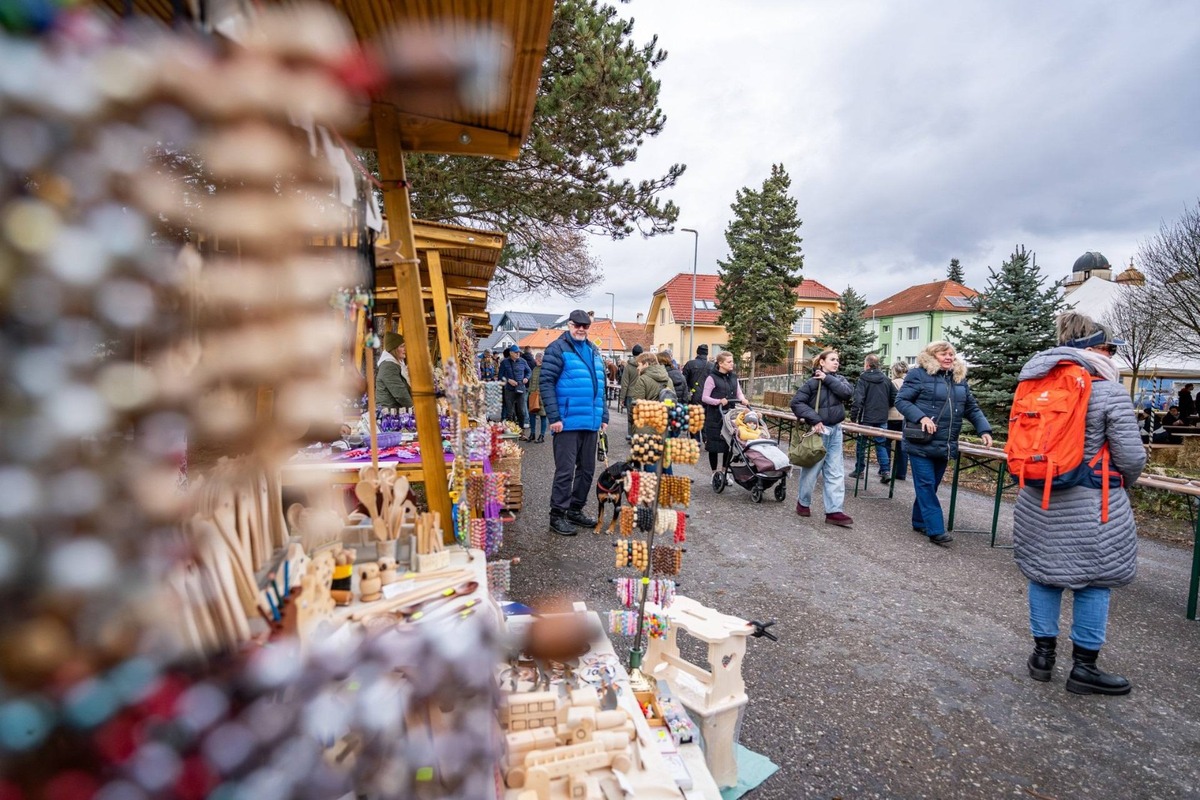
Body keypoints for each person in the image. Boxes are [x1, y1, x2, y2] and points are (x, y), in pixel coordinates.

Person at [1014, 312, 1145, 695]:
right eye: (1110, 348)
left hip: (1038, 495)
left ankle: (1042, 658)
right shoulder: (1107, 390)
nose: (1113, 355)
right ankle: (1084, 669)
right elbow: (1132, 456)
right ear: (1096, 348)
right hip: (1093, 502)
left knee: (1043, 574)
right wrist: (1124, 483)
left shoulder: (1032, 384)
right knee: (1094, 582)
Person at [894, 341, 993, 547]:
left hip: (945, 443)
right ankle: (936, 529)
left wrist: (984, 430)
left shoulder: (958, 379)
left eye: (951, 354)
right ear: (932, 356)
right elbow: (902, 401)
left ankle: (919, 520)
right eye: (943, 354)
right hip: (921, 441)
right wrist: (922, 417)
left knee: (932, 485)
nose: (949, 358)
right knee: (926, 484)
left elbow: (971, 407)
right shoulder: (918, 375)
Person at [539, 309, 609, 536]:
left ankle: (575, 509)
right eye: (576, 325)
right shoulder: (557, 349)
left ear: (589, 327)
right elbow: (546, 383)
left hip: (590, 422)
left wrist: (604, 416)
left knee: (587, 470)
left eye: (585, 326)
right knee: (565, 471)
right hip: (567, 422)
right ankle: (557, 515)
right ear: (569, 325)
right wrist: (554, 417)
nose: (580, 329)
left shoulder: (593, 350)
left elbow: (600, 388)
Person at [790, 350, 855, 527]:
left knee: (835, 471)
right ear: (822, 363)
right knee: (812, 470)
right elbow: (796, 403)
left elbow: (847, 393)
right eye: (832, 360)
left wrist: (827, 379)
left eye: (838, 360)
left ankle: (834, 511)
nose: (836, 363)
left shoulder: (839, 380)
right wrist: (815, 419)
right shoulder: (812, 384)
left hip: (836, 431)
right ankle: (803, 503)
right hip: (818, 432)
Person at [700, 352, 747, 485]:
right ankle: (715, 473)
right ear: (720, 363)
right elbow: (704, 397)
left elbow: (739, 392)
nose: (732, 364)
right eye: (729, 362)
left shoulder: (734, 377)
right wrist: (718, 401)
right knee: (714, 446)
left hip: (730, 416)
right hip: (715, 416)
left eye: (732, 361)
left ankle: (725, 472)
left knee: (729, 445)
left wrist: (743, 400)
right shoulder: (712, 378)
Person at [849, 353, 896, 484]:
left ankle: (859, 470)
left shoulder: (863, 379)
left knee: (861, 445)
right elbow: (895, 397)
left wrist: (853, 417)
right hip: (882, 417)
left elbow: (858, 399)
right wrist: (885, 407)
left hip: (866, 418)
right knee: (881, 444)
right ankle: (885, 471)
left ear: (867, 365)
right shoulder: (886, 379)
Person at [498, 345, 531, 438]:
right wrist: (508, 380)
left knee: (522, 411)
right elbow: (500, 376)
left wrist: (526, 378)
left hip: (521, 388)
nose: (518, 354)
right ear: (511, 353)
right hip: (509, 390)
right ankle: (511, 432)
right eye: (516, 352)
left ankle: (521, 432)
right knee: (510, 412)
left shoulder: (523, 361)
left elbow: (529, 372)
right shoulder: (504, 362)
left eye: (519, 352)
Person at [376, 331, 412, 411]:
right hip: (388, 414)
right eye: (402, 346)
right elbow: (400, 394)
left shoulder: (397, 364)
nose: (405, 349)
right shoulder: (388, 366)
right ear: (394, 349)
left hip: (396, 410)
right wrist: (415, 409)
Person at [886, 361, 909, 480]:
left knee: (886, 443)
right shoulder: (910, 383)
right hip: (905, 418)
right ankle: (901, 473)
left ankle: (885, 468)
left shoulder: (892, 383)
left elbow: (889, 400)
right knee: (902, 446)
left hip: (891, 416)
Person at [619, 345, 643, 441]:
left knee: (630, 417)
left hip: (630, 395)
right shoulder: (644, 365)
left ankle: (631, 436)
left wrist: (622, 398)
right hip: (641, 394)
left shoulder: (628, 366)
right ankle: (639, 436)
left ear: (632, 353)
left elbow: (624, 383)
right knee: (640, 416)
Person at [528, 352, 548, 443]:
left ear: (539, 359)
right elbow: (532, 381)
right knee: (532, 414)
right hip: (533, 395)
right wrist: (530, 393)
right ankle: (532, 434)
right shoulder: (535, 369)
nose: (535, 361)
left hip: (543, 396)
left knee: (543, 416)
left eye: (536, 359)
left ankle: (542, 435)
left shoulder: (546, 369)